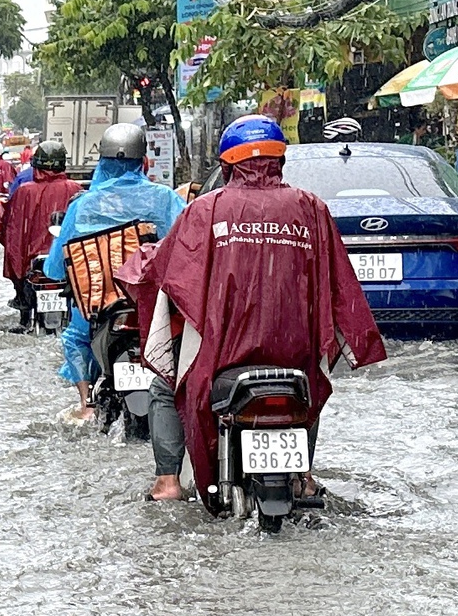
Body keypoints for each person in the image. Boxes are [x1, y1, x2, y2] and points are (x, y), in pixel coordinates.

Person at [119, 115, 387, 510]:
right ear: (280, 159)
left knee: (163, 383)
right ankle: (303, 477)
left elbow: (168, 270)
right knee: (312, 381)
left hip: (220, 355)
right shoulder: (311, 208)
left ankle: (168, 481)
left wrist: (137, 265)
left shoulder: (205, 209)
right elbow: (340, 284)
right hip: (293, 352)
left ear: (227, 164)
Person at [42, 121, 185, 420]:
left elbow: (55, 268)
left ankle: (86, 405)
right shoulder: (167, 198)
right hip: (155, 303)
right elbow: (190, 251)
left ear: (102, 162)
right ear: (144, 162)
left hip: (99, 305)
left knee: (75, 338)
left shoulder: (82, 205)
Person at [0, 138, 81, 331]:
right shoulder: (75, 189)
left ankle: (24, 315)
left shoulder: (24, 191)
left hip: (32, 263)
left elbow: (13, 231)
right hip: (67, 261)